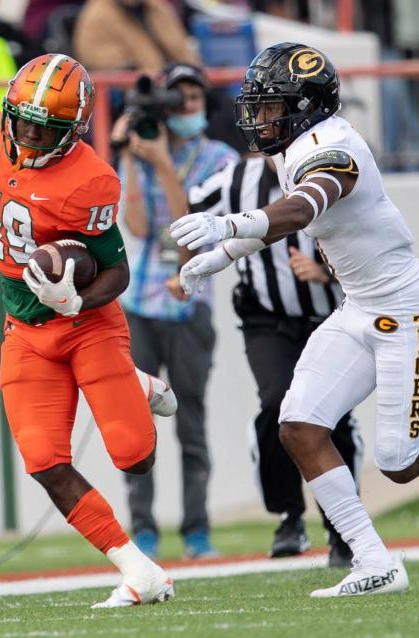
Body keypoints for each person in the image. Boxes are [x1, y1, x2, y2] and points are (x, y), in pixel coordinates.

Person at [170, 42, 419, 597]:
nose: (260, 117)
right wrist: (222, 257)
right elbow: (291, 221)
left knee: (399, 462)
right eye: (259, 106)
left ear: (307, 105)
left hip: (405, 309)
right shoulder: (292, 146)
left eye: (271, 106)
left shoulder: (336, 145)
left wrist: (227, 227)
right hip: (359, 307)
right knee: (297, 424)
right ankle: (374, 562)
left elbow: (303, 207)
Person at [0, 52, 177, 608]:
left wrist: (76, 299)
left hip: (87, 326)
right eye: (20, 119)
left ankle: (136, 385)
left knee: (134, 457)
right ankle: (139, 571)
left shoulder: (91, 179)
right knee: (45, 462)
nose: (25, 133)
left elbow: (115, 268)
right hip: (25, 329)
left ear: (72, 131)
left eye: (42, 127)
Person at [188, 153, 359, 565]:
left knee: (329, 418)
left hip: (330, 315)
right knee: (280, 404)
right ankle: (289, 514)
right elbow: (188, 215)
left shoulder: (333, 165)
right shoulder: (235, 178)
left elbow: (370, 237)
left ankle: (342, 530)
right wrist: (178, 268)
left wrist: (325, 271)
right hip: (266, 319)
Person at [111, 62, 238, 559]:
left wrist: (163, 164)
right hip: (140, 305)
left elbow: (193, 235)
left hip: (190, 306)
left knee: (190, 423)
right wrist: (128, 155)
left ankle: (196, 532)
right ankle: (141, 528)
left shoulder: (220, 159)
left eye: (194, 96)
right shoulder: (141, 149)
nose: (187, 105)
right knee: (134, 421)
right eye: (177, 97)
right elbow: (138, 226)